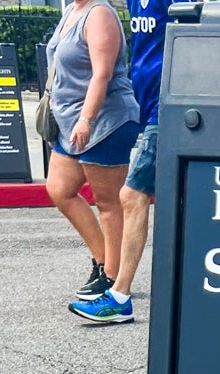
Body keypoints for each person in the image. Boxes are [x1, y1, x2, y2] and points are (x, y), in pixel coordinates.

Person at [69, 0, 164, 324]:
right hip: (145, 105)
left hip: (167, 106)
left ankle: (120, 296)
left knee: (131, 194)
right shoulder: (136, 4)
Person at [43, 0, 138, 319]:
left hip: (104, 121)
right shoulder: (71, 11)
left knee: (109, 203)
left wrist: (87, 119)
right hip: (70, 121)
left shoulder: (99, 14)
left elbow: (103, 73)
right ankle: (102, 261)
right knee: (60, 189)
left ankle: (112, 279)